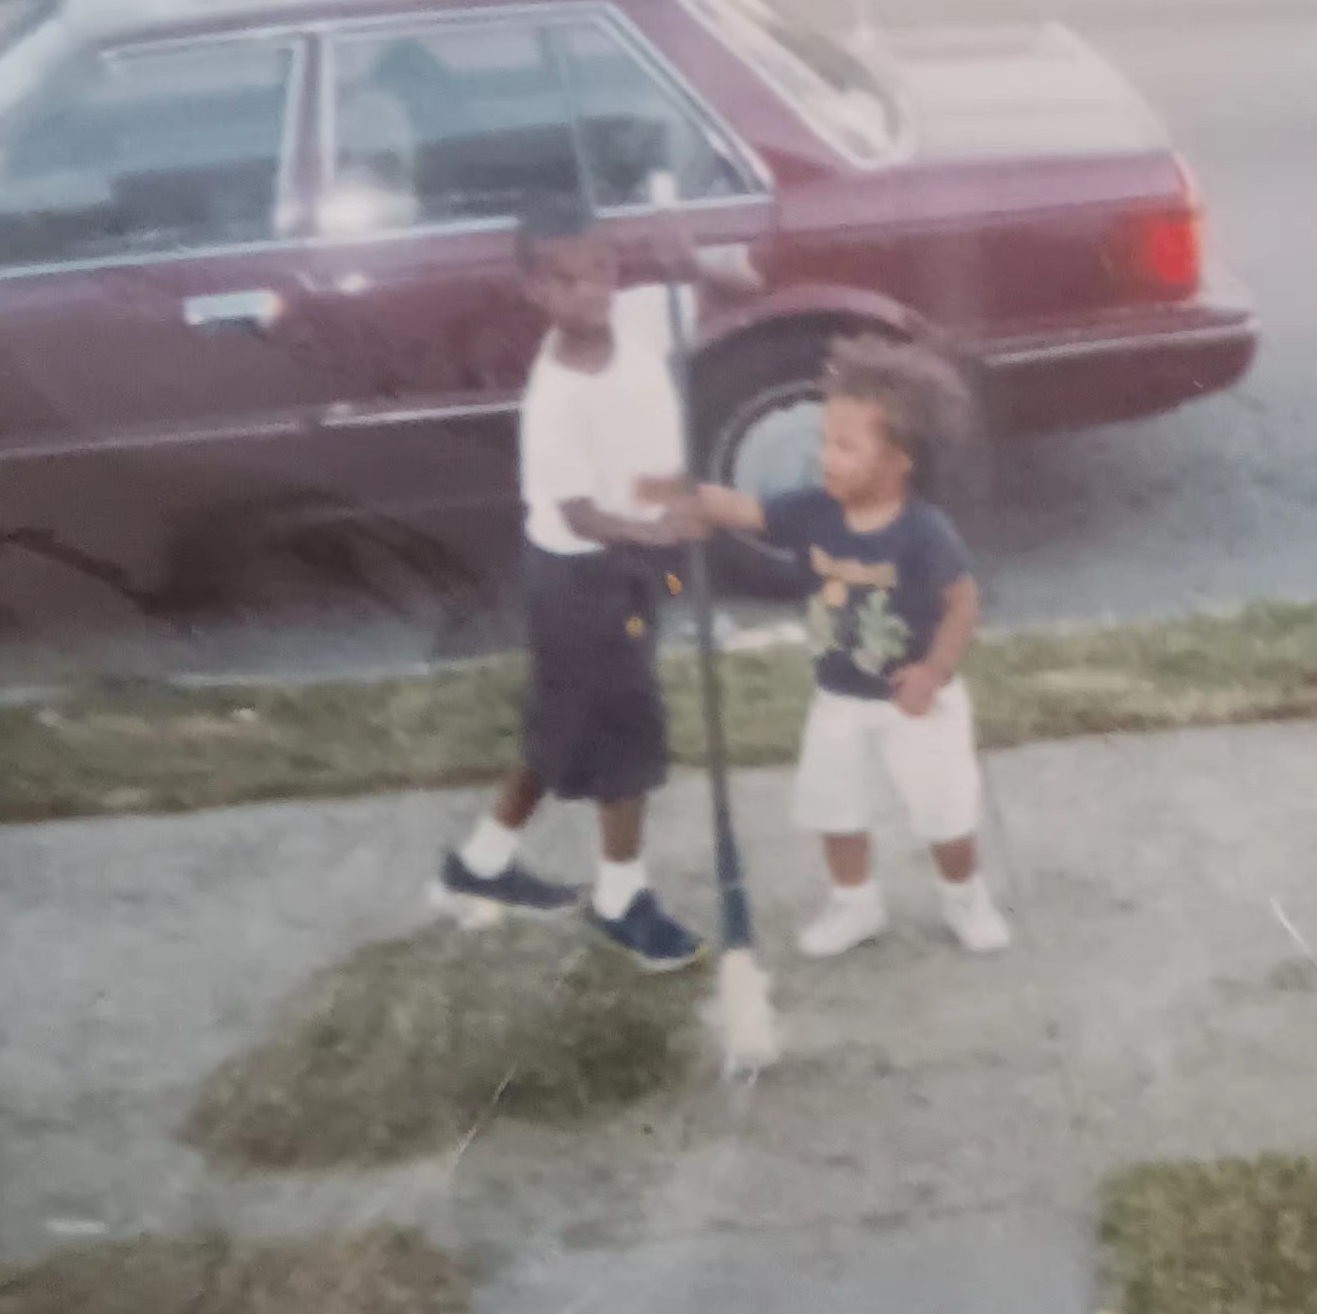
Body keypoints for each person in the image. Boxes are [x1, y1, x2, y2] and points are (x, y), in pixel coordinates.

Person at [672, 336, 1012, 961]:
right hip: (838, 694)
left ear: (899, 459)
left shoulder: (923, 532)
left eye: (847, 447)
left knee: (944, 813)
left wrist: (934, 673)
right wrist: (697, 499)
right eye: (826, 440)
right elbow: (746, 509)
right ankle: (856, 903)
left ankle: (965, 896)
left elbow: (962, 603)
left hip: (916, 700)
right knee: (835, 806)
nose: (827, 457)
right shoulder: (811, 512)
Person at [434, 196, 703, 971]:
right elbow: (581, 514)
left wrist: (688, 259)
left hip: (639, 561)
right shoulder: (555, 397)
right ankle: (622, 900)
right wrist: (654, 530)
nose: (592, 290)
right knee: (627, 734)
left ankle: (481, 865)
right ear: (534, 292)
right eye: (568, 279)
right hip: (584, 576)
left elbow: (734, 287)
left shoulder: (645, 319)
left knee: (560, 727)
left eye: (604, 270)